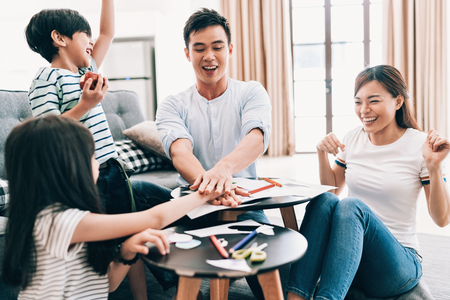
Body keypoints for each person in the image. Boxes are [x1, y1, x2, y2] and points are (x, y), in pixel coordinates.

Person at [24, 2, 172, 298]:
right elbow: (48, 134)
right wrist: (85, 105)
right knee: (102, 247)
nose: (91, 42)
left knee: (131, 236)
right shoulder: (46, 79)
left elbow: (107, 32)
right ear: (59, 38)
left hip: (114, 170)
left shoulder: (87, 69)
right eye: (84, 35)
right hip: (83, 180)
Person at [1, 116, 224, 299]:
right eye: (92, 156)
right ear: (67, 168)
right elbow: (153, 219)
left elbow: (107, 284)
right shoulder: (56, 221)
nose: (98, 162)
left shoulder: (72, 218)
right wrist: (204, 193)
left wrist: (126, 253)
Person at [287, 65, 450, 300]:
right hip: (353, 257)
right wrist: (321, 153)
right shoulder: (353, 137)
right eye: (358, 102)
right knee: (324, 200)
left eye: (373, 101)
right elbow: (332, 190)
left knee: (351, 206)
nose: (364, 110)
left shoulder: (419, 144)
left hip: (398, 264)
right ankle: (296, 297)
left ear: (398, 101)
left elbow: (442, 219)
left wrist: (434, 167)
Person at [156, 8, 271, 223]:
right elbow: (180, 153)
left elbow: (256, 138)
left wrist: (223, 169)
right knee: (140, 190)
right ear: (188, 53)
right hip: (191, 200)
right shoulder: (172, 104)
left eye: (217, 47)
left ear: (229, 50)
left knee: (268, 246)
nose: (209, 56)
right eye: (199, 49)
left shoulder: (251, 92)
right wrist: (212, 187)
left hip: (240, 200)